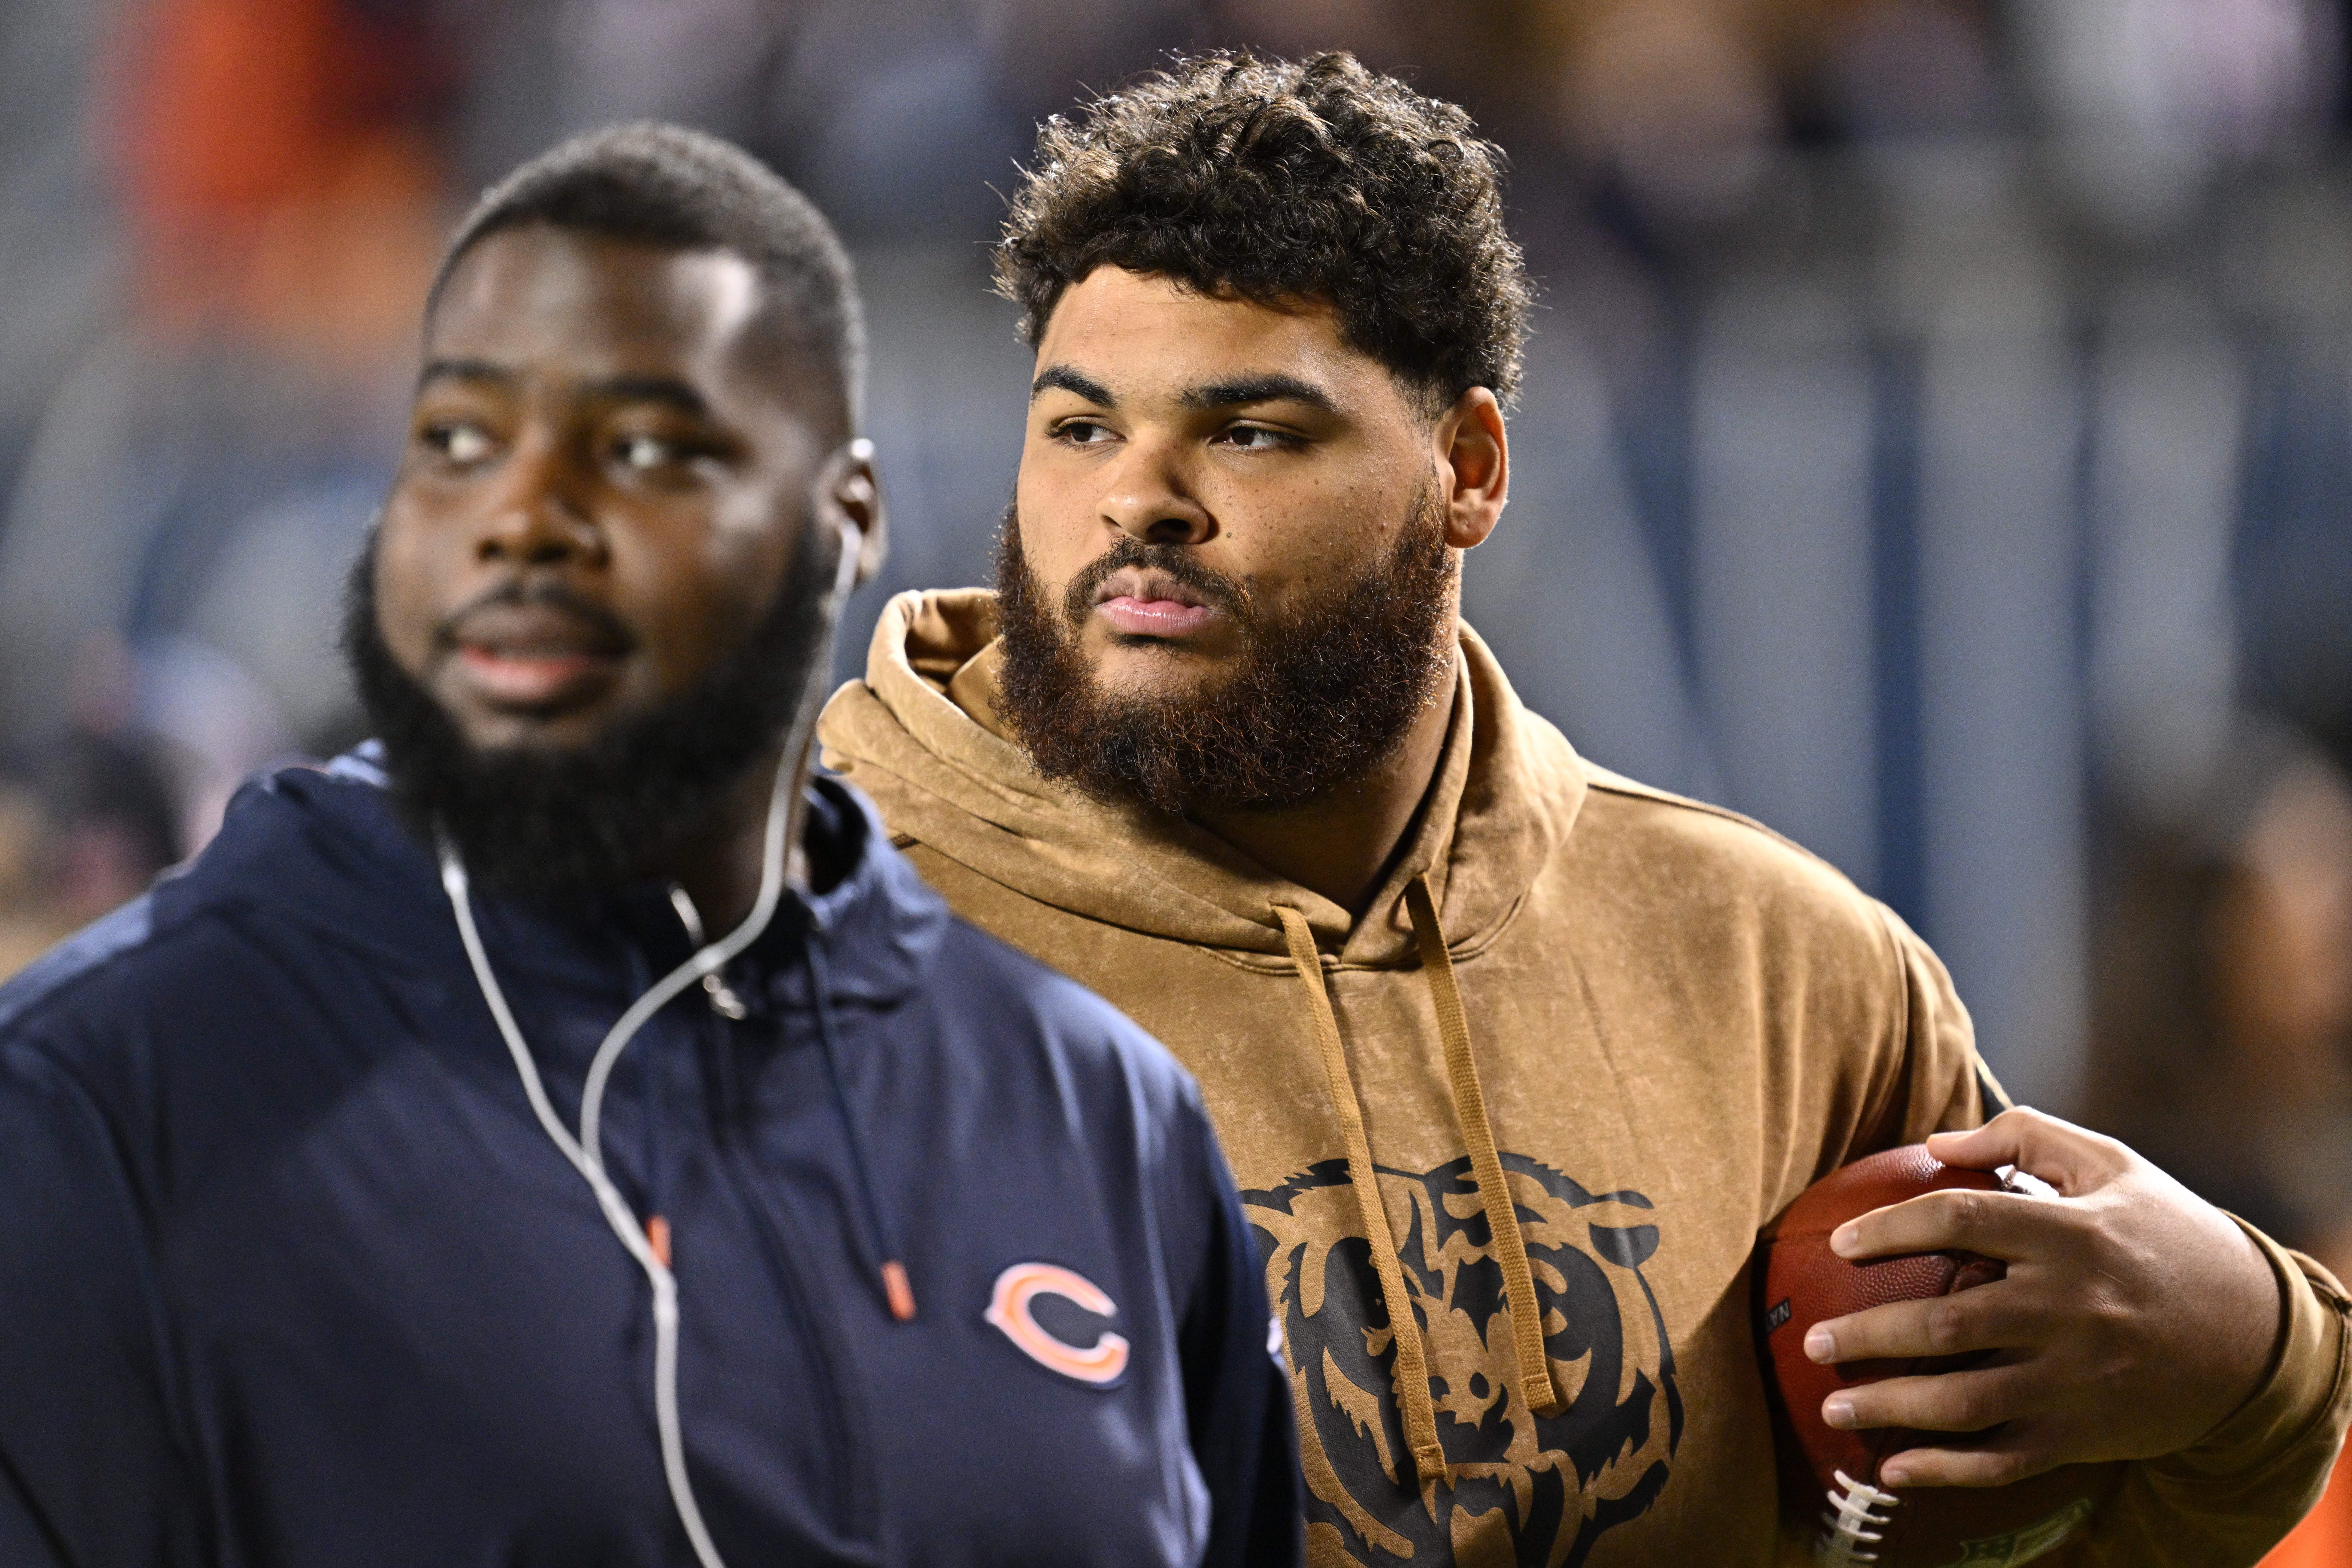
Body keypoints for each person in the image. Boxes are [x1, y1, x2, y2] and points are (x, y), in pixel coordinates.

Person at [818, 52, 2352, 1567]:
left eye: (1249, 431)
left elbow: (2063, 1523)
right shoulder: (786, 961)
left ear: (1468, 468)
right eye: (1079, 426)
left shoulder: (1779, 970)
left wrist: (2264, 1355)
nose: (1138, 497)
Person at [0, 123, 1299, 1568]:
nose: (526, 521)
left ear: (844, 517)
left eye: (643, 449)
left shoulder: (1102, 1116)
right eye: (461, 443)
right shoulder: (96, 1099)